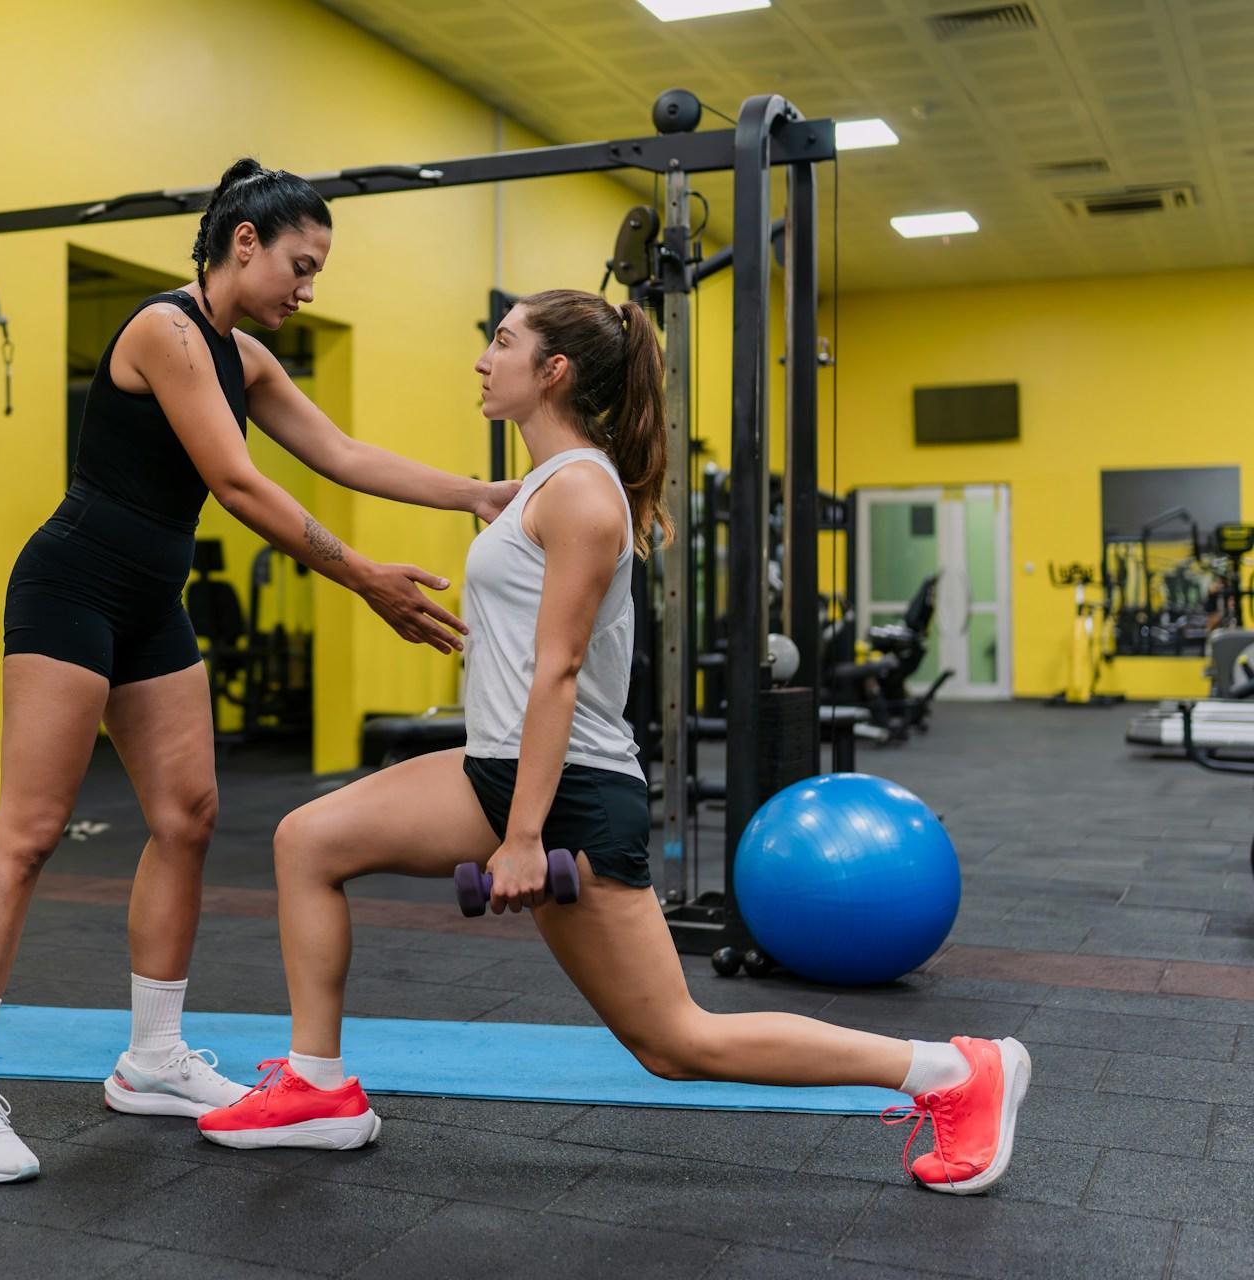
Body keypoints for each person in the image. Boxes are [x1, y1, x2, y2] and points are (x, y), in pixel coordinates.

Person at [196, 289, 1031, 1196]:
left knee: (676, 1042)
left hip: (571, 794)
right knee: (306, 840)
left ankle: (954, 1072)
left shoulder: (584, 495)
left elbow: (557, 675)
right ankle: (318, 1087)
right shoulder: (548, 489)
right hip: (502, 768)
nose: (484, 358)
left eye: (503, 342)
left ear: (552, 372)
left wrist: (524, 837)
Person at [0, 158, 523, 1184]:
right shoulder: (165, 330)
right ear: (246, 240)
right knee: (30, 829)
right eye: (301, 263)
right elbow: (235, 482)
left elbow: (339, 451)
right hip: (70, 588)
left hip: (151, 604)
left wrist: (474, 493)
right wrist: (365, 575)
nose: (307, 287)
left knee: (187, 815)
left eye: (317, 271)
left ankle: (152, 1056)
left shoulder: (246, 356)